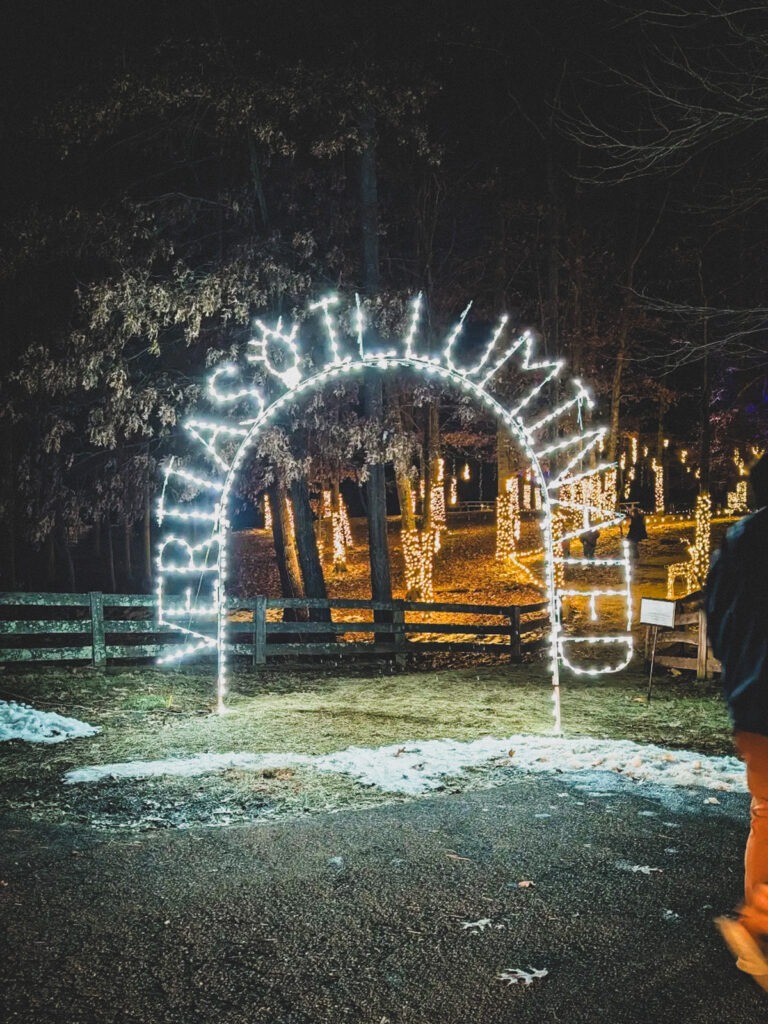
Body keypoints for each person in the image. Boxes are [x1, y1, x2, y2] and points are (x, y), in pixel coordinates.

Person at [705, 452, 768, 991]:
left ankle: (758, 924)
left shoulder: (738, 541)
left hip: (754, 702)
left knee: (767, 812)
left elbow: (718, 620)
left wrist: (739, 675)